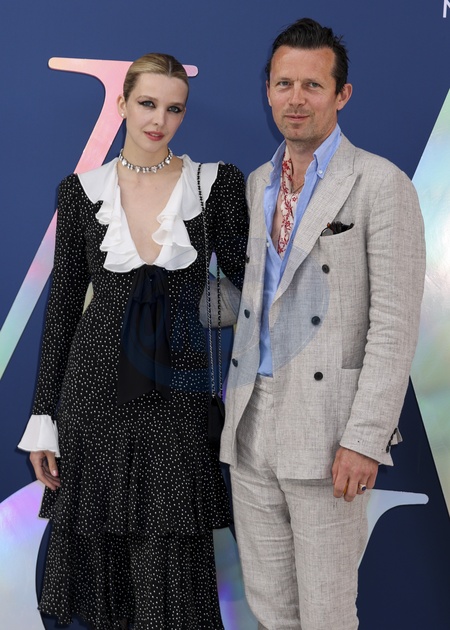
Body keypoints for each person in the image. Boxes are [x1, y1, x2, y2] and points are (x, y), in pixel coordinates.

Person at [18, 52, 248, 630]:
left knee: (174, 580)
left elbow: (253, 284)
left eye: (174, 109)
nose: (159, 120)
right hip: (93, 398)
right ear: (121, 103)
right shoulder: (80, 191)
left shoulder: (214, 185)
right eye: (147, 103)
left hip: (179, 399)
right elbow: (63, 308)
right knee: (106, 581)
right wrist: (44, 418)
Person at [220, 17, 426, 630]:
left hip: (331, 433)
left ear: (342, 94)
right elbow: (259, 300)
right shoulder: (258, 184)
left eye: (313, 85)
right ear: (267, 89)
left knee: (327, 615)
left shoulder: (381, 184)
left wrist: (365, 438)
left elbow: (393, 326)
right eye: (284, 84)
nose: (296, 99)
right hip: (251, 424)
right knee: (270, 609)